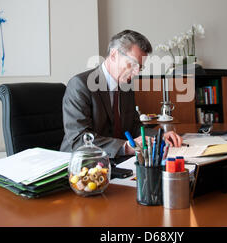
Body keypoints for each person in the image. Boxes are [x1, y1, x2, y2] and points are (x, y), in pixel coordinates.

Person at [60, 29, 183, 158]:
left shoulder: (126, 86)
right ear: (114, 55)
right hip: (80, 163)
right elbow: (80, 139)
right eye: (133, 64)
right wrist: (125, 147)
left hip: (114, 160)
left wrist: (160, 136)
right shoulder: (80, 85)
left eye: (140, 68)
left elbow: (134, 127)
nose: (136, 73)